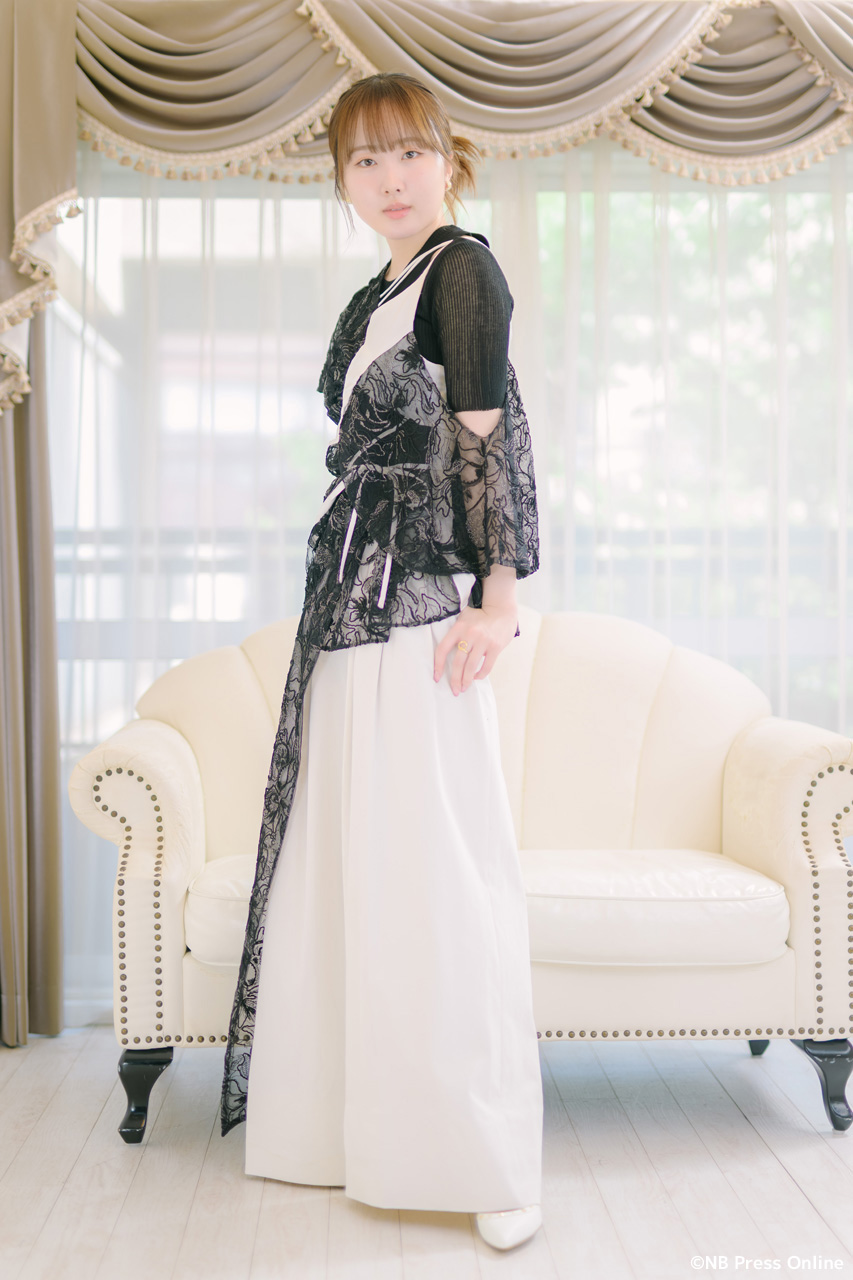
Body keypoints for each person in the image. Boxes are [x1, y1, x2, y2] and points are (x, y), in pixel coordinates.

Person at [219, 70, 544, 1253]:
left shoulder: (462, 271)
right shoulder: (379, 292)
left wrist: (498, 597)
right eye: (365, 160)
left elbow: (487, 436)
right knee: (352, 869)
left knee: (440, 876)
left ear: (448, 158)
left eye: (408, 152)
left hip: (420, 616)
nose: (389, 178)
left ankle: (488, 1159)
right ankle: (346, 1133)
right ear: (341, 180)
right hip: (346, 615)